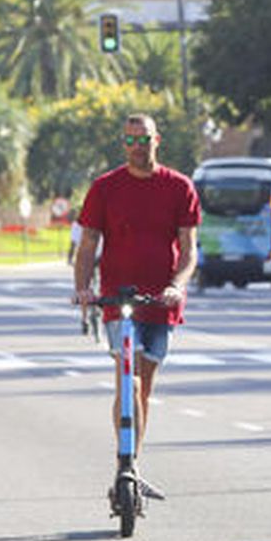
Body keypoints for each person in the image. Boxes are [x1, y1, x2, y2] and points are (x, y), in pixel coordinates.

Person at [72, 113, 200, 493]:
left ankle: (133, 466)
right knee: (127, 380)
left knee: (143, 388)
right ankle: (124, 465)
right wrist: (83, 288)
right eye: (129, 140)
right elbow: (88, 246)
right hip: (118, 300)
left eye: (142, 140)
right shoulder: (105, 188)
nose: (135, 147)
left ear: (156, 140)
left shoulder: (179, 187)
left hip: (160, 302)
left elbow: (189, 251)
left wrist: (177, 285)